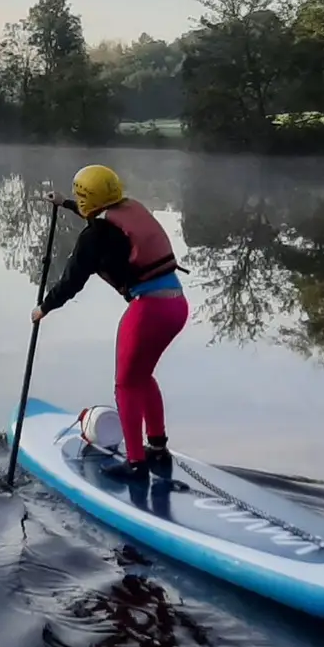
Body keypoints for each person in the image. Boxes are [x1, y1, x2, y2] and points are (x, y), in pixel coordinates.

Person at [32, 164, 189, 481]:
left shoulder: (95, 237)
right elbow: (104, 222)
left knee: (126, 385)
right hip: (177, 306)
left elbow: (72, 280)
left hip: (149, 311)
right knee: (142, 376)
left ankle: (135, 464)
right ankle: (157, 446)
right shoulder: (130, 208)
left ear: (87, 197)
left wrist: (44, 308)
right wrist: (63, 203)